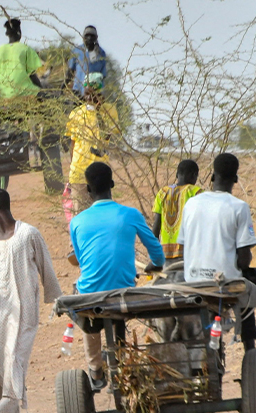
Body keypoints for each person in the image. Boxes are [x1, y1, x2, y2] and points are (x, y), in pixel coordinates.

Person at [180, 153, 256, 391]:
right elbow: (244, 260)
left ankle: (252, 351)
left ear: (211, 177)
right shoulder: (238, 207)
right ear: (235, 179)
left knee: (244, 283)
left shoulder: (191, 203)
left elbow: (183, 248)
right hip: (225, 281)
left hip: (191, 279)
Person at [68, 162, 164, 390]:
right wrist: (154, 265)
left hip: (92, 293)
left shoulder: (77, 221)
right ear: (112, 184)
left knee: (84, 306)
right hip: (123, 290)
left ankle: (95, 369)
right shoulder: (130, 214)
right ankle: (121, 360)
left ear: (89, 192)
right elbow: (157, 253)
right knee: (119, 311)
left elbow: (81, 261)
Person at [0, 188, 63, 413]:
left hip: (23, 313)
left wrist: (57, 300)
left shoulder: (29, 234)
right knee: (1, 370)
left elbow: (47, 270)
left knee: (13, 361)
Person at [65, 73, 119, 215]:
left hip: (101, 174)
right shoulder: (76, 114)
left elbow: (107, 135)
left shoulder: (110, 111)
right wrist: (72, 172)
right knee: (81, 215)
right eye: (87, 94)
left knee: (103, 215)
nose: (89, 98)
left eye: (93, 93)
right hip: (80, 174)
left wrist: (99, 110)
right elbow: (73, 145)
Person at [151, 160, 201, 264]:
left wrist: (154, 253)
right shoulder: (196, 192)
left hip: (164, 252)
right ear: (194, 175)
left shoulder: (163, 192)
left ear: (177, 174)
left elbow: (156, 226)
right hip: (187, 252)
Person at [0, 19, 43, 99]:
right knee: (50, 97)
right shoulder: (26, 49)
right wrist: (42, 90)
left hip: (5, 94)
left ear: (7, 33)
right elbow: (33, 76)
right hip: (25, 92)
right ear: (19, 32)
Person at [66, 26, 109, 97]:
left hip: (94, 92)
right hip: (78, 90)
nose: (89, 38)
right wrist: (64, 85)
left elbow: (103, 75)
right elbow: (70, 70)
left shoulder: (101, 53)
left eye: (92, 36)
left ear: (96, 37)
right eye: (87, 35)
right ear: (83, 37)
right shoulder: (77, 51)